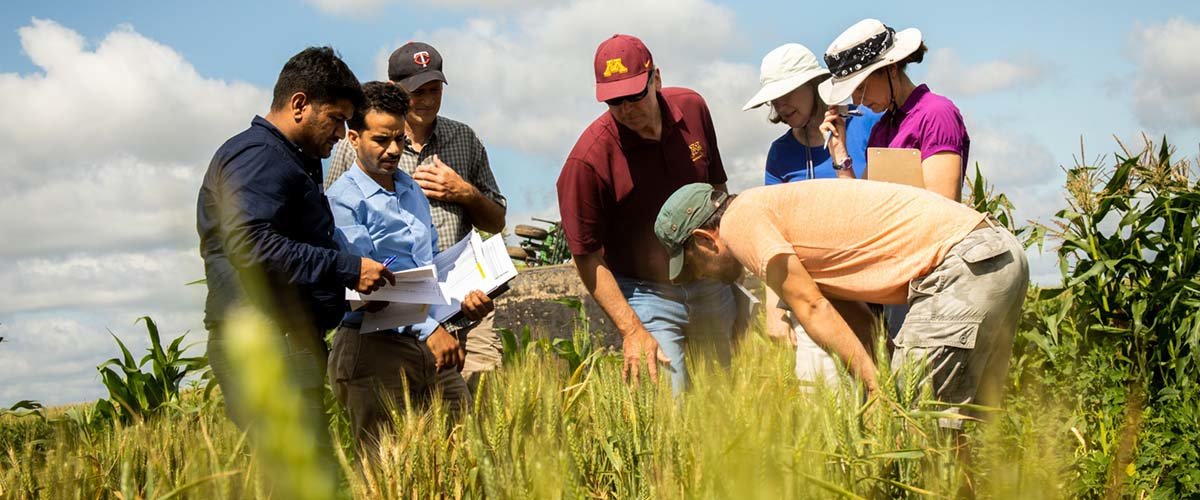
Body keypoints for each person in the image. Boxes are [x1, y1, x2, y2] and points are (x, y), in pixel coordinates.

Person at [654, 181, 1028, 427]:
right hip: (993, 256)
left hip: (960, 266)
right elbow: (849, 316)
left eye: (692, 265)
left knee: (911, 427)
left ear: (704, 239)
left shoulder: (740, 222)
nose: (699, 276)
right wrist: (878, 376)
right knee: (951, 433)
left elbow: (812, 308)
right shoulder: (775, 217)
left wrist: (879, 390)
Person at [196, 47, 394, 462]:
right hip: (265, 345)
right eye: (337, 119)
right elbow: (251, 245)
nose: (341, 134)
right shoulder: (259, 157)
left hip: (283, 344)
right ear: (300, 104)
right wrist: (347, 267)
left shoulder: (289, 159)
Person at [324, 42, 508, 392]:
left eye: (433, 90)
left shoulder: (463, 140)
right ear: (395, 91)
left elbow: (496, 221)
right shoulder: (356, 151)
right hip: (389, 319)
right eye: (415, 92)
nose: (425, 100)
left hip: (455, 300)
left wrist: (463, 192)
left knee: (479, 414)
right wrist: (427, 325)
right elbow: (339, 241)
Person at [557, 34, 734, 393]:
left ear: (656, 79)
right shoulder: (587, 162)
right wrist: (631, 330)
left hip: (708, 283)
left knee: (724, 402)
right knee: (671, 399)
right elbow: (586, 256)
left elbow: (718, 193)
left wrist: (728, 266)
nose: (626, 109)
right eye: (614, 101)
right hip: (645, 293)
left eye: (634, 95)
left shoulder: (694, 109)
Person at [743, 43, 882, 386]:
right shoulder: (780, 154)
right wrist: (776, 310)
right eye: (773, 100)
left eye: (786, 94)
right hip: (814, 301)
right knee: (823, 406)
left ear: (815, 84)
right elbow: (773, 238)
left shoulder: (867, 125)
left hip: (877, 289)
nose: (779, 106)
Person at [819, 18, 971, 202]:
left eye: (861, 87)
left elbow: (943, 208)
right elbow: (862, 208)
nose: (857, 100)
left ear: (890, 69)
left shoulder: (936, 114)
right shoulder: (881, 129)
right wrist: (839, 152)